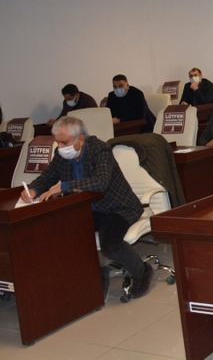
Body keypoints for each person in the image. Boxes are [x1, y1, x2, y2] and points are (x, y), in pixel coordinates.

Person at [22, 116, 153, 300]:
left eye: (64, 142)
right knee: (63, 236)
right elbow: (48, 176)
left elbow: (101, 182)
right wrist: (33, 190)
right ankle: (97, 275)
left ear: (81, 139)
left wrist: (64, 187)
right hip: (86, 209)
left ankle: (142, 271)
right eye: (58, 142)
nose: (60, 147)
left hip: (117, 208)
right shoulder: (61, 155)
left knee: (110, 245)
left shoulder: (100, 150)